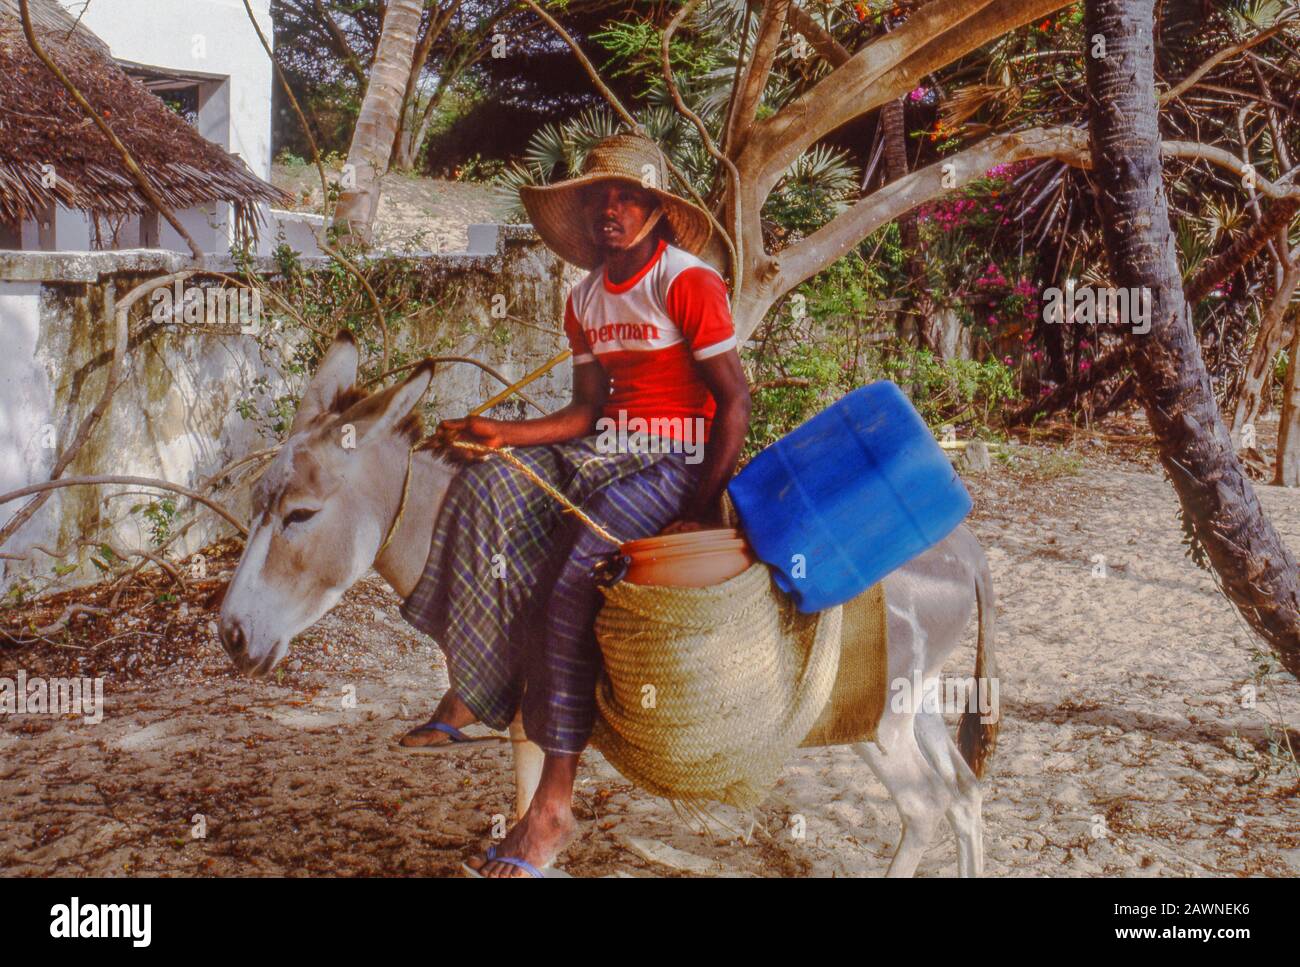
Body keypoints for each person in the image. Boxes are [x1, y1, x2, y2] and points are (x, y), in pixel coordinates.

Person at [398, 133, 751, 877]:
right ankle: (473, 685)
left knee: (569, 584)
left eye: (626, 197)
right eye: (599, 197)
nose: (609, 210)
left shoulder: (687, 281)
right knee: (482, 483)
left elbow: (734, 401)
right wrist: (503, 433)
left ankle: (552, 807)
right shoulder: (584, 297)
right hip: (608, 447)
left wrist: (703, 502)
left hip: (674, 457)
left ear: (656, 209)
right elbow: (587, 410)